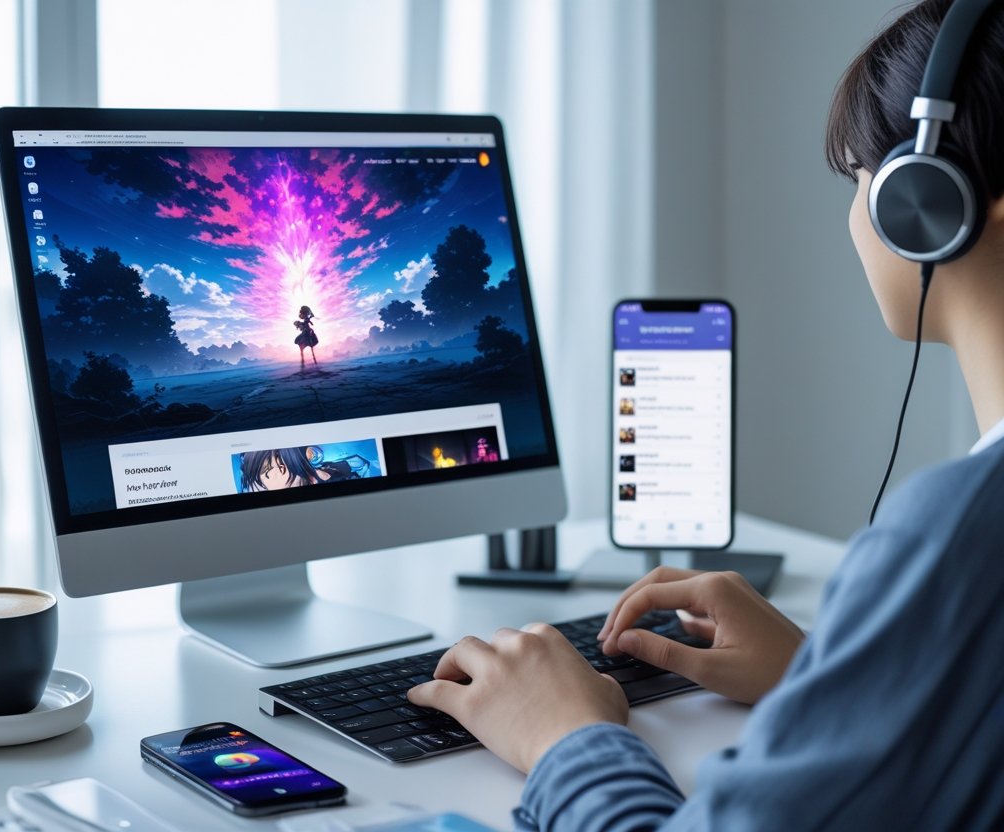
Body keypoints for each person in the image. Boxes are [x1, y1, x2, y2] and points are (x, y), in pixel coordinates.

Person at [407, 1, 1004, 829]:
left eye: (862, 177)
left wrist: (564, 735)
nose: (852, 217)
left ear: (932, 197)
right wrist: (825, 678)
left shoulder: (962, 527)